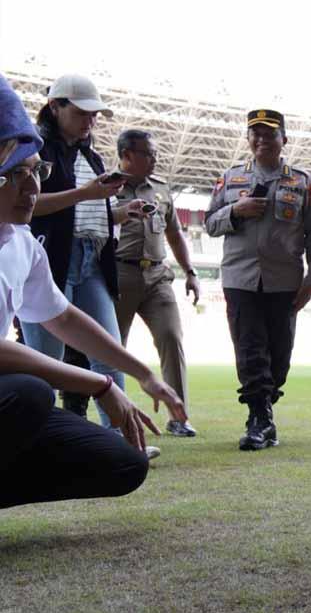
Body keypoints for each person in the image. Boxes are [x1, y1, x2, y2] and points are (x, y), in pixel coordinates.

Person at [0, 73, 187, 509]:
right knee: (29, 392)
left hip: (86, 261)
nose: (32, 188)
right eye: (14, 175)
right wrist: (102, 384)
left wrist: (143, 373)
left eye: (36, 172)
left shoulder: (20, 243)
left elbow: (62, 316)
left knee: (122, 464)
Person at [19, 75, 145, 435]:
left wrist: (119, 211)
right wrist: (86, 194)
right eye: (82, 112)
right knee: (44, 361)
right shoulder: (33, 150)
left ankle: (121, 437)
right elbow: (25, 206)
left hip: (93, 258)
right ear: (55, 107)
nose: (91, 121)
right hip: (51, 260)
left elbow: (88, 211)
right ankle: (33, 437)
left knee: (108, 349)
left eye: (95, 114)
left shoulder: (90, 155)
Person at [204, 109, 311, 451]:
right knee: (250, 349)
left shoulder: (302, 182)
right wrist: (235, 212)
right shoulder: (230, 179)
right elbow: (210, 224)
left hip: (284, 281)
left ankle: (265, 411)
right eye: (255, 133)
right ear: (248, 140)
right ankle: (258, 417)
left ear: (283, 140)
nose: (261, 139)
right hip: (240, 278)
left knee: (279, 355)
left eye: (269, 134)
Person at [112, 129, 200, 437]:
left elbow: (174, 234)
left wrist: (190, 271)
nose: (155, 159)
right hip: (119, 274)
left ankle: (180, 417)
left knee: (171, 337)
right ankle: (114, 419)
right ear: (126, 156)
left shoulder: (161, 190)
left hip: (158, 276)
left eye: (154, 153)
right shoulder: (106, 186)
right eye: (147, 154)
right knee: (112, 347)